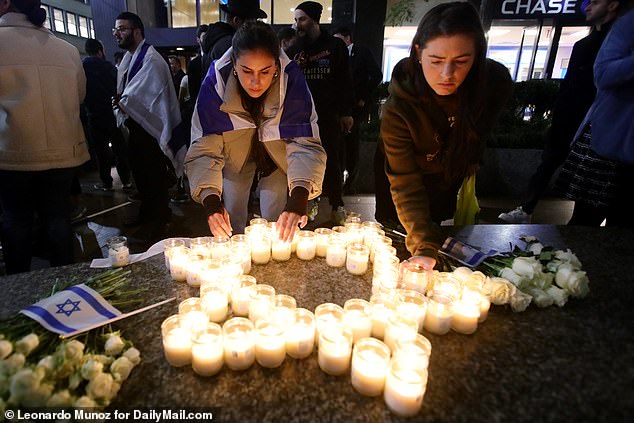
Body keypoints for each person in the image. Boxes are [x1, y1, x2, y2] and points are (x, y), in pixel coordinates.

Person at [380, 2, 512, 268]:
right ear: (418, 52)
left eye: (461, 62)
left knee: (437, 223)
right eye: (436, 61)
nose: (447, 75)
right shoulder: (400, 107)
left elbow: (480, 131)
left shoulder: (493, 86)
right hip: (404, 176)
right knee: (399, 235)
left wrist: (471, 156)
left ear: (477, 57)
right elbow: (405, 182)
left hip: (446, 174)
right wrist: (424, 247)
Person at [186, 21, 326, 241]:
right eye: (246, 70)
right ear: (233, 64)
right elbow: (204, 147)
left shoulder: (292, 82)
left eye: (265, 71)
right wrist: (211, 202)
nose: (255, 81)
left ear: (277, 67)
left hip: (277, 159)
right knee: (230, 220)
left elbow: (304, 143)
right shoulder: (215, 84)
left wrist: (299, 196)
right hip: (234, 156)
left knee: (278, 221)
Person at [498, 0, 622, 223]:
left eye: (595, 2)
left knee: (593, 200)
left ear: (613, 5)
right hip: (575, 123)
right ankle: (527, 208)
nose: (587, 6)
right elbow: (570, 88)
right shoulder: (588, 44)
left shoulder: (614, 46)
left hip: (600, 129)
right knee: (554, 171)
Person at [0, 0, 91, 274]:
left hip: (12, 152)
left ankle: (20, 292)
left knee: (16, 222)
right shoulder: (67, 50)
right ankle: (64, 288)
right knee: (58, 220)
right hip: (63, 152)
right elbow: (79, 97)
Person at [555, 5, 634, 227]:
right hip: (610, 140)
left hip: (613, 137)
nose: (587, 6)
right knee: (586, 221)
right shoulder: (626, 26)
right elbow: (603, 74)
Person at [113, 11, 186, 238]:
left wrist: (123, 101)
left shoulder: (152, 58)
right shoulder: (131, 58)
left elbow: (148, 95)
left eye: (123, 29)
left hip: (150, 130)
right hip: (137, 127)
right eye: (116, 29)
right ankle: (147, 212)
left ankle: (159, 217)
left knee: (153, 175)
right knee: (141, 174)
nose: (117, 33)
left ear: (137, 31)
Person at [288, 1, 355, 225]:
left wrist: (346, 112)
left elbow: (346, 81)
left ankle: (337, 204)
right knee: (305, 161)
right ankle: (311, 202)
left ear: (315, 20)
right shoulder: (294, 48)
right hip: (301, 118)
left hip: (328, 116)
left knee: (332, 161)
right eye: (296, 20)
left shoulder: (335, 46)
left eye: (303, 19)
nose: (298, 25)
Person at [333, 26, 383, 195]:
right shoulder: (334, 55)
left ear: (348, 38)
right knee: (336, 146)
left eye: (339, 39)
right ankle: (337, 182)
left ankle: (350, 184)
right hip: (337, 108)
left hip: (356, 107)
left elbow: (376, 74)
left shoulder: (361, 52)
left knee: (352, 145)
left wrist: (363, 97)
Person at [82, 38, 132, 192]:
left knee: (101, 151)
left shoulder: (81, 67)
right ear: (100, 51)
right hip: (111, 114)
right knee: (120, 148)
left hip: (93, 115)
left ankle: (107, 182)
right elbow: (119, 88)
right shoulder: (109, 67)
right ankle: (126, 181)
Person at [201, 0, 266, 77]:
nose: (255, 26)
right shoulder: (232, 45)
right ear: (237, 21)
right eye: (252, 21)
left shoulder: (215, 40)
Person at [187, 24, 209, 105]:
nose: (206, 40)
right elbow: (193, 93)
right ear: (198, 40)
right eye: (204, 38)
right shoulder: (193, 64)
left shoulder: (216, 58)